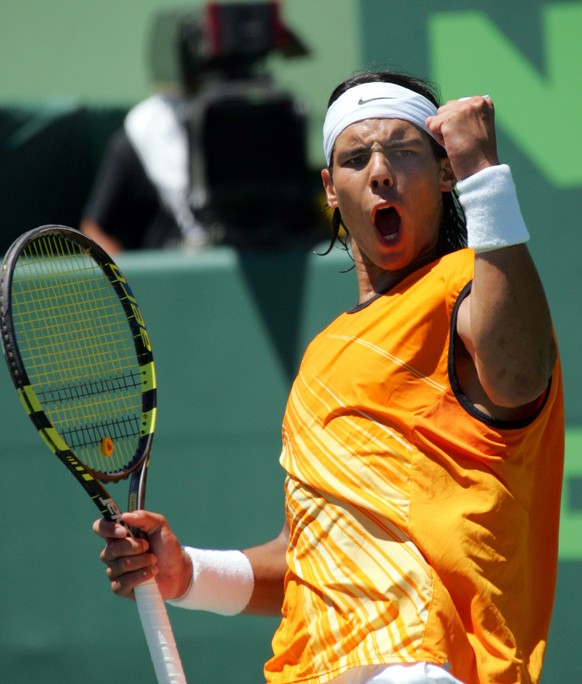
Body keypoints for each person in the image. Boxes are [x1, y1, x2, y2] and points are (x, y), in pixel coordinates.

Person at [93, 70, 564, 683]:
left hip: (418, 664)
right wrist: (186, 573)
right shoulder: (323, 354)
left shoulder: (467, 285)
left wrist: (486, 180)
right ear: (331, 190)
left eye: (402, 150)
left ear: (444, 173)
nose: (380, 171)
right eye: (356, 157)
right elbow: (306, 558)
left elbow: (521, 373)